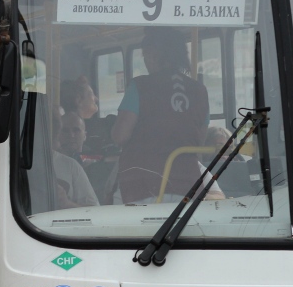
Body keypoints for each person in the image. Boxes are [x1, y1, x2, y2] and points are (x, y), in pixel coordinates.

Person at [112, 28, 210, 202]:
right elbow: (199, 141)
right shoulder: (200, 91)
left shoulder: (140, 86)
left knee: (109, 196)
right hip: (190, 186)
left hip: (143, 185)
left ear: (153, 53)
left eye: (144, 55)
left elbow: (120, 135)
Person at [52, 111, 99, 208]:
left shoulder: (97, 160)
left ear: (85, 135)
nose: (71, 135)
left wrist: (66, 204)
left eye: (76, 130)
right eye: (65, 130)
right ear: (56, 133)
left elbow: (94, 210)